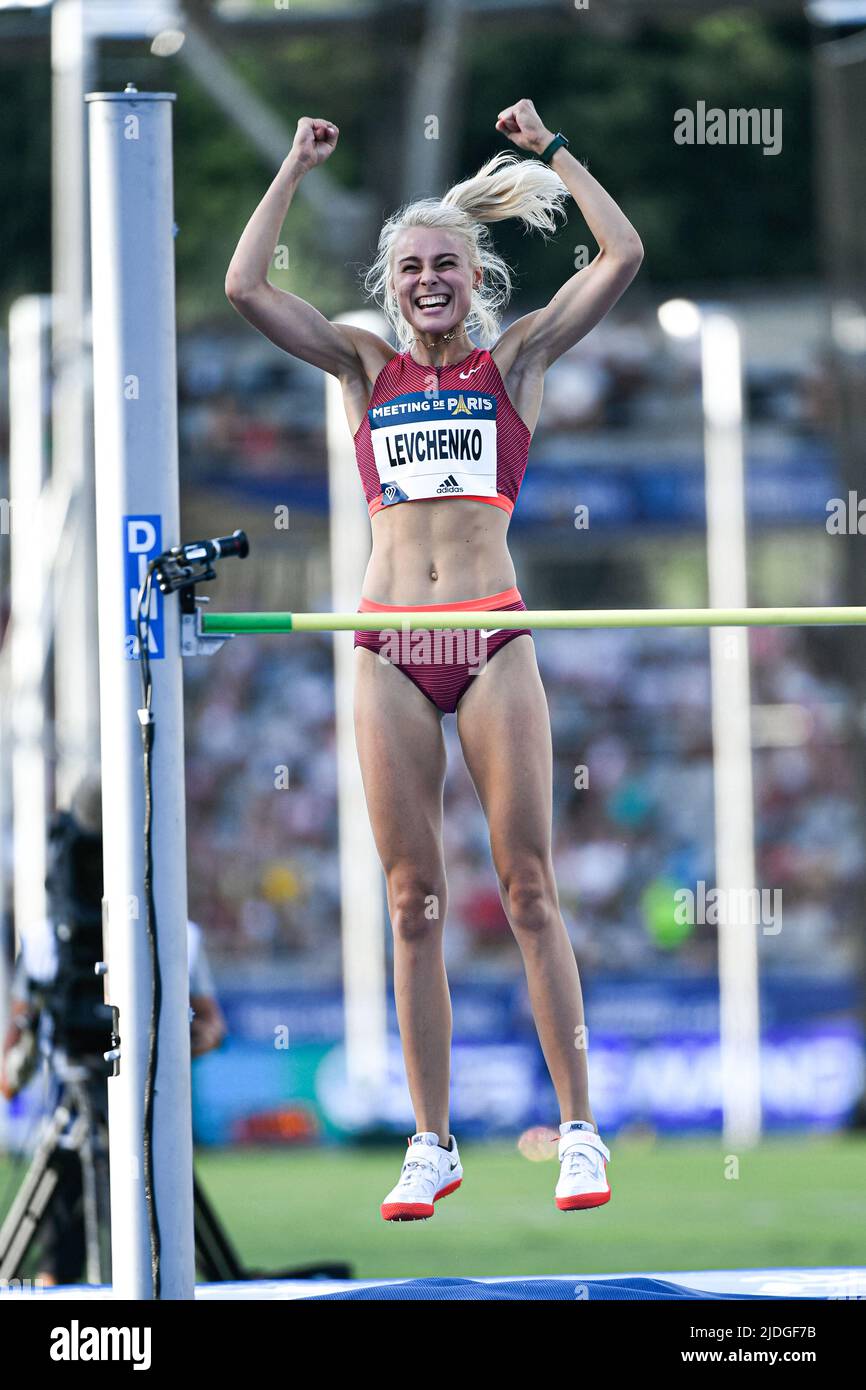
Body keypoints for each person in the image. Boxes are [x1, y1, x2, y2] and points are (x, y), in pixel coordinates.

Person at [225, 98, 643, 1220]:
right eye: (409, 267)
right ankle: (431, 1142)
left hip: (492, 634)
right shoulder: (364, 368)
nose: (426, 280)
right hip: (388, 648)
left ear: (474, 277)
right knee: (411, 899)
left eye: (444, 264)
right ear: (390, 282)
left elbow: (621, 255)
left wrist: (554, 150)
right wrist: (292, 168)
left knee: (527, 887)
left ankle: (578, 1130)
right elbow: (246, 288)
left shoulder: (516, 361)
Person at [0, 773, 226, 1282]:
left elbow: (8, 1076)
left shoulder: (174, 938)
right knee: (76, 1252)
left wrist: (179, 1040)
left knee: (95, 1255)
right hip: (104, 1121)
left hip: (133, 1116)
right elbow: (214, 1030)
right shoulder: (47, 943)